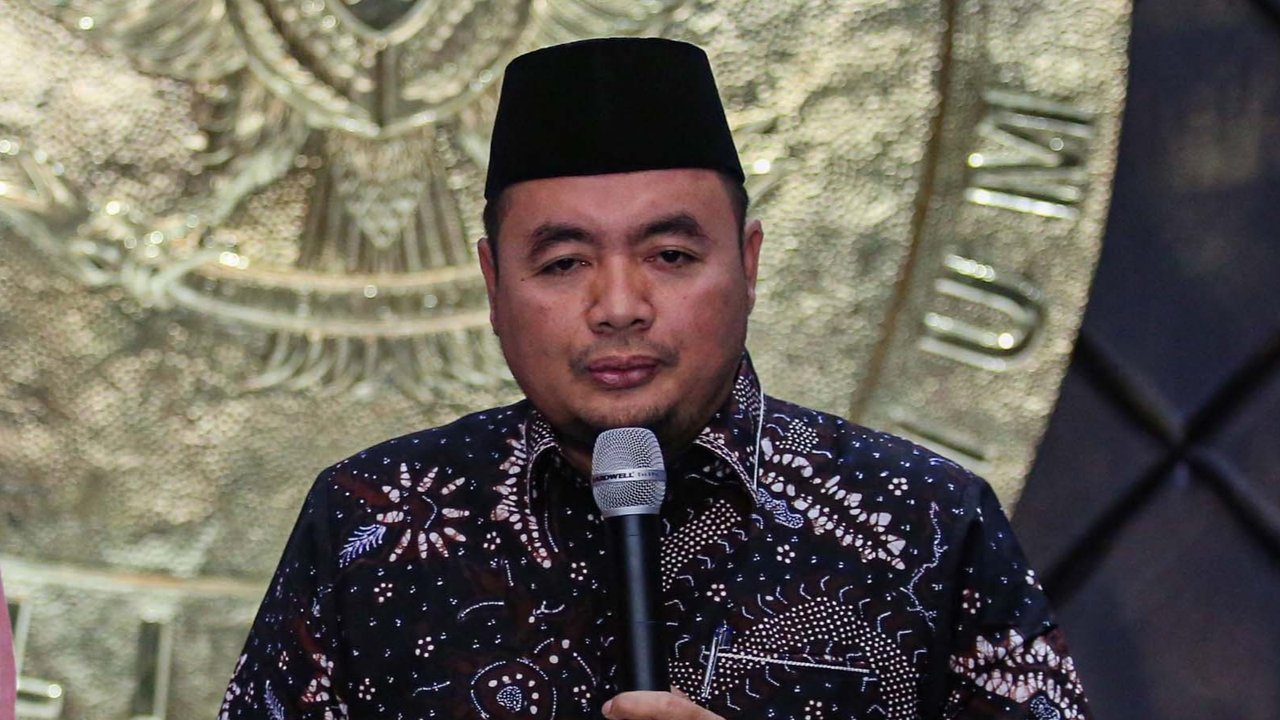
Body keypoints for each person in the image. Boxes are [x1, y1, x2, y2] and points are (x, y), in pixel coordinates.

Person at [220, 38, 1090, 720]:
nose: (619, 307)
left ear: (748, 264)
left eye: (670, 255)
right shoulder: (373, 519)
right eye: (564, 263)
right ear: (493, 285)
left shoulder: (922, 519)